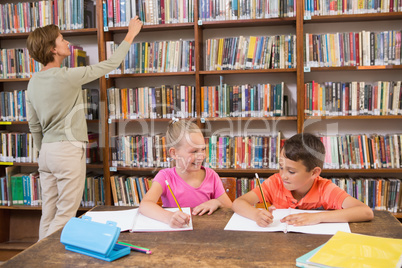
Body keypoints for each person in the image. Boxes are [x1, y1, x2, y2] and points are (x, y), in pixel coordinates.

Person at [26, 17, 143, 240]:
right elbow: (109, 65)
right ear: (53, 49)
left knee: (48, 213)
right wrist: (130, 35)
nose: (67, 42)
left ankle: (37, 260)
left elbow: (34, 124)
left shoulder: (33, 81)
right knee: (65, 215)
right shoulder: (68, 76)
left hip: (47, 153)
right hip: (67, 151)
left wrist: (43, 150)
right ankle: (50, 260)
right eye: (62, 39)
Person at [232, 133, 374, 227]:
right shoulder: (275, 183)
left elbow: (365, 212)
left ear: (314, 173)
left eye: (291, 171)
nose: (283, 175)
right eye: (281, 167)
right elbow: (238, 203)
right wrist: (256, 215)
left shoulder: (325, 188)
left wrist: (317, 217)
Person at [139, 120, 232, 228]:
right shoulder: (165, 177)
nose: (201, 156)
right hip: (177, 234)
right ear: (174, 153)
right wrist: (169, 217)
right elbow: (145, 205)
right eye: (194, 151)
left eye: (203, 149)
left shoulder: (212, 176)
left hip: (207, 234)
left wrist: (217, 203)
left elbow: (230, 208)